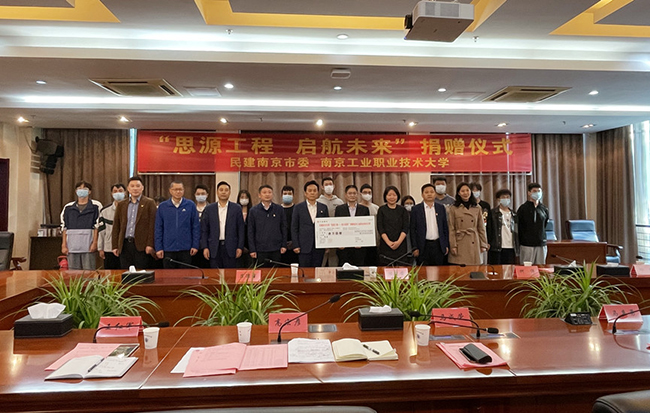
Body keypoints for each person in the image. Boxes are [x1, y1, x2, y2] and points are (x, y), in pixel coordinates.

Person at [112, 176, 157, 269]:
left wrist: (150, 244)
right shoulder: (121, 205)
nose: (135, 188)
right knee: (126, 273)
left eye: (137, 186)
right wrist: (115, 245)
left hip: (142, 246)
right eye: (132, 186)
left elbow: (152, 225)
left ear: (142, 188)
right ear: (128, 189)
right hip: (125, 245)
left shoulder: (149, 203)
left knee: (141, 273)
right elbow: (116, 226)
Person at [154, 181, 200, 268]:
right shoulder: (163, 207)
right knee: (169, 275)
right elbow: (158, 228)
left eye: (180, 189)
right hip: (168, 248)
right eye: (175, 189)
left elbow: (195, 227)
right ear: (170, 190)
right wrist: (158, 247)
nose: (178, 192)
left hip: (186, 248)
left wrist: (195, 245)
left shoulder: (190, 205)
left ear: (184, 190)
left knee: (185, 274)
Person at [200, 181, 245, 269]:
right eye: (221, 190)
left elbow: (241, 229)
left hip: (231, 247)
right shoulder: (209, 209)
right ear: (217, 192)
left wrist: (240, 247)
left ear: (230, 192)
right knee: (215, 273)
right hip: (214, 247)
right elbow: (204, 230)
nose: (223, 192)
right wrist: (205, 247)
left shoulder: (236, 208)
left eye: (226, 190)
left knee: (230, 274)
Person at [61, 181, 100, 270]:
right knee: (73, 274)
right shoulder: (68, 207)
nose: (82, 190)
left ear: (89, 191)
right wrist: (64, 245)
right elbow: (65, 227)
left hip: (88, 245)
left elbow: (97, 226)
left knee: (89, 272)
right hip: (72, 245)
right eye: (79, 189)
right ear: (76, 191)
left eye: (85, 189)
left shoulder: (96, 206)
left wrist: (95, 243)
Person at [447, 182, 488, 265]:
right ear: (458, 193)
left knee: (474, 269)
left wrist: (483, 244)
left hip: (474, 241)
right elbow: (451, 228)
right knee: (460, 268)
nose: (465, 193)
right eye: (462, 191)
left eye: (467, 190)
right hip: (460, 241)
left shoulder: (477, 207)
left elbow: (481, 228)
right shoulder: (453, 208)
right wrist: (453, 245)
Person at [247, 185, 287, 267]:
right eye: (264, 192)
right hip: (260, 249)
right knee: (261, 272)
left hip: (276, 248)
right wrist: (252, 249)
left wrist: (284, 245)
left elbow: (284, 228)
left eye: (269, 192)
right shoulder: (253, 211)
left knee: (276, 272)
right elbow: (250, 231)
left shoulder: (279, 209)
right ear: (259, 195)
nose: (267, 194)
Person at [410, 183, 449, 266]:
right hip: (423, 246)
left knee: (439, 271)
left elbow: (445, 227)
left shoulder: (441, 208)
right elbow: (412, 230)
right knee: (423, 271)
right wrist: (414, 247)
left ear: (435, 194)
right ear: (422, 195)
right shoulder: (416, 209)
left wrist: (446, 245)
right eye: (426, 192)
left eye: (431, 192)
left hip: (438, 245)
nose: (429, 194)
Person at [291, 180, 328, 267]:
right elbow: (294, 227)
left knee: (317, 270)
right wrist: (296, 245)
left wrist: (326, 244)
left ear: (318, 193)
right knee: (305, 271)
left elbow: (326, 227)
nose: (312, 193)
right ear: (305, 193)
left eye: (314, 191)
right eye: (310, 191)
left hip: (319, 246)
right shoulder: (298, 207)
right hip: (303, 246)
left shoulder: (323, 207)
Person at [335, 184, 370, 266]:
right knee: (344, 270)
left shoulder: (364, 209)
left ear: (357, 195)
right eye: (350, 193)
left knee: (359, 269)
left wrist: (363, 242)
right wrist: (339, 243)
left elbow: (366, 228)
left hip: (359, 247)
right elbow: (337, 227)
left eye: (354, 193)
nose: (352, 195)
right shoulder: (339, 209)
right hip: (344, 248)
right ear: (345, 195)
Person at [517, 183, 549, 265]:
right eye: (534, 191)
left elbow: (545, 224)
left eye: (539, 191)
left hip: (541, 243)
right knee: (527, 268)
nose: (537, 193)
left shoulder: (544, 209)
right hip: (527, 244)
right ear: (529, 193)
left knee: (541, 267)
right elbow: (519, 226)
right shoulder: (523, 208)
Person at [377, 186, 410, 266]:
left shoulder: (402, 210)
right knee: (386, 268)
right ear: (385, 196)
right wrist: (389, 242)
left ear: (397, 196)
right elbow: (380, 228)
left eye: (394, 195)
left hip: (401, 245)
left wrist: (398, 242)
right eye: (389, 195)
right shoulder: (381, 209)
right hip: (386, 245)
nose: (392, 197)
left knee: (401, 268)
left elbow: (405, 227)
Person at [97, 183, 126, 270]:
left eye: (120, 191)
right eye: (115, 191)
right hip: (109, 247)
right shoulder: (105, 211)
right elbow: (101, 231)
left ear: (125, 192)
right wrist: (100, 248)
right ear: (111, 194)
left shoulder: (130, 209)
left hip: (126, 248)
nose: (118, 193)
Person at [317, 177, 344, 267]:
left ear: (334, 186)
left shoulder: (339, 202)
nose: (329, 186)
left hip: (336, 235)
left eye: (330, 184)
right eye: (326, 184)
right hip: (322, 236)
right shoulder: (318, 202)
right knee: (321, 262)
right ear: (322, 187)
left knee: (334, 261)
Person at [487, 189, 518, 265]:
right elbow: (489, 229)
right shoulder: (493, 213)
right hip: (496, 247)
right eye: (503, 197)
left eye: (508, 197)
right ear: (498, 199)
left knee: (509, 269)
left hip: (511, 247)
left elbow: (516, 231)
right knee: (496, 269)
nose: (506, 199)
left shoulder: (514, 214)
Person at [470, 182, 491, 265]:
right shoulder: (468, 206)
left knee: (483, 262)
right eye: (473, 190)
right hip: (471, 236)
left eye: (477, 190)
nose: (475, 192)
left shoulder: (485, 205)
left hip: (483, 235)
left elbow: (490, 224)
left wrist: (487, 241)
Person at [359, 183, 380, 265]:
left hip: (373, 241)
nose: (367, 194)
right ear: (360, 194)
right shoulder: (357, 208)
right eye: (365, 192)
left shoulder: (376, 208)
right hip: (360, 242)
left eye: (369, 192)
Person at [192, 184, 211, 269]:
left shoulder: (212, 209)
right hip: (193, 247)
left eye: (203, 194)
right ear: (195, 195)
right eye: (198, 194)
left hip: (208, 246)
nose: (200, 196)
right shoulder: (191, 208)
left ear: (207, 195)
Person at [281, 185, 299, 265]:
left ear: (293, 195)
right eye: (285, 194)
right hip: (281, 247)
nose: (287, 195)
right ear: (281, 195)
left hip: (295, 246)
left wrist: (294, 242)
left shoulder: (297, 209)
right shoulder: (278, 209)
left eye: (289, 194)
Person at [236, 189, 253, 268]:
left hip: (250, 246)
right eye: (242, 197)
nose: (244, 199)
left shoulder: (252, 212)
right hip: (238, 246)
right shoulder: (235, 212)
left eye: (246, 197)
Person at [401, 195, 417, 265]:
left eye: (411, 203)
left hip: (414, 245)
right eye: (407, 204)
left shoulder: (416, 215)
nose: (409, 205)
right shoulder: (400, 215)